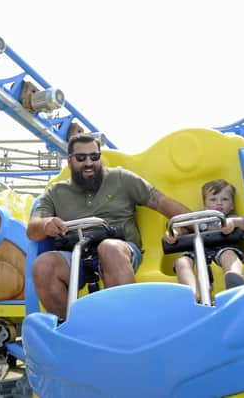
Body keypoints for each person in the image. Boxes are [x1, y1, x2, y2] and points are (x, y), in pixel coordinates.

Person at [27, 134, 191, 319]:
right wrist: (45, 224)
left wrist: (199, 223)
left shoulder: (121, 178)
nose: (89, 162)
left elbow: (162, 202)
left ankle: (126, 323)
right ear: (70, 161)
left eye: (94, 156)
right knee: (43, 265)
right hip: (77, 253)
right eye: (81, 158)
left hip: (119, 250)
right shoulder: (56, 192)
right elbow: (33, 229)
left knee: (109, 247)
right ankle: (71, 327)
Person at [170, 179, 244, 302]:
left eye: (225, 199)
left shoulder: (231, 218)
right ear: (205, 204)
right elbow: (181, 228)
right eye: (213, 199)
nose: (219, 203)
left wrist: (234, 223)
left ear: (232, 205)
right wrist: (174, 233)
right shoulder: (196, 219)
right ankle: (192, 293)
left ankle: (235, 281)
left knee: (229, 255)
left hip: (222, 249)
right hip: (197, 251)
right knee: (182, 262)